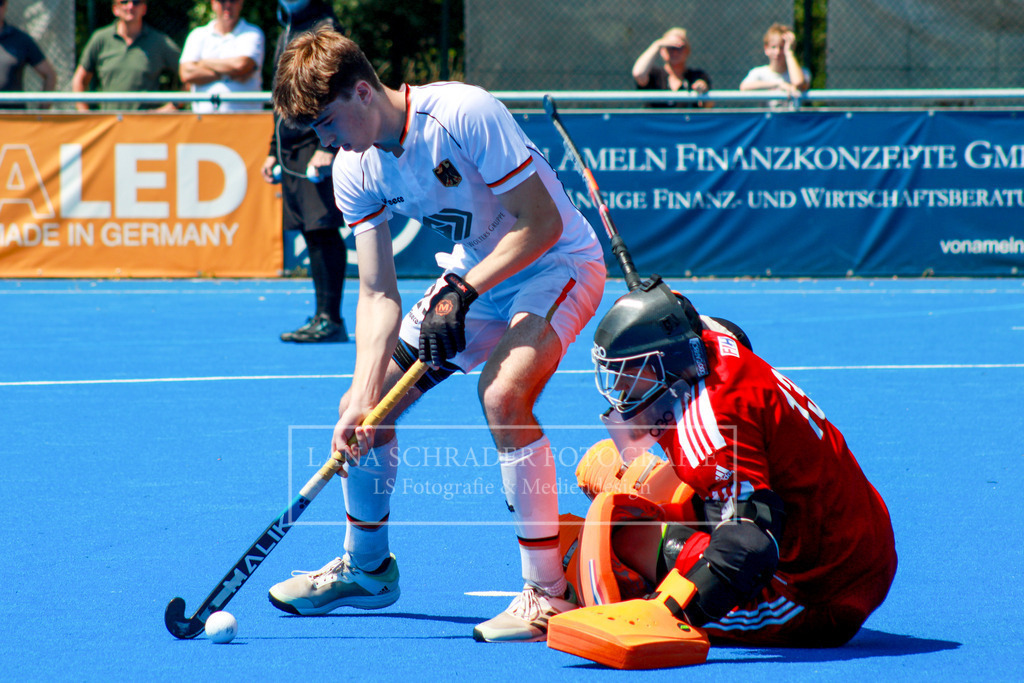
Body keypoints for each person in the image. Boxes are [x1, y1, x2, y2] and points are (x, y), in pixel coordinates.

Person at [266, 25, 607, 642]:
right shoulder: (354, 168)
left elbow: (543, 222)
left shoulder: (463, 112)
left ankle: (546, 595)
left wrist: (465, 289)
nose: (326, 141)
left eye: (327, 123)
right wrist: (364, 397)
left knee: (503, 396)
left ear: (364, 92)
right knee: (365, 406)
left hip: (558, 263)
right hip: (475, 276)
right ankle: (368, 571)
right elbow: (375, 294)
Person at [546, 278, 897, 668]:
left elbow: (750, 545)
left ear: (665, 363)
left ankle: (641, 583)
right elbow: (714, 325)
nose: (622, 384)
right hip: (846, 538)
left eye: (632, 369)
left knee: (611, 540)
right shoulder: (707, 343)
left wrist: (669, 611)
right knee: (613, 471)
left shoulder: (711, 427)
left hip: (817, 594)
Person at [262, 0, 349, 343]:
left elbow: (336, 91)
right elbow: (281, 99)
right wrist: (273, 149)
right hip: (292, 148)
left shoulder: (324, 26)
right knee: (312, 232)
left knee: (323, 228)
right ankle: (321, 315)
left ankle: (331, 318)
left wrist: (327, 147)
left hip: (315, 140)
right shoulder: (288, 27)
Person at [71, 0, 181, 112]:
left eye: (136, 2)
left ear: (144, 8)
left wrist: (168, 109)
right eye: (124, 2)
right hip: (110, 123)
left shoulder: (159, 42)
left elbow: (187, 75)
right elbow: (79, 80)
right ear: (115, 9)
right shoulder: (100, 39)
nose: (130, 6)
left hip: (146, 125)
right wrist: (85, 115)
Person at [179, 0, 264, 113]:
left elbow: (242, 65)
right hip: (203, 122)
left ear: (241, 3)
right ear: (213, 3)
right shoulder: (197, 35)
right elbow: (186, 73)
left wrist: (204, 63)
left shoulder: (253, 33)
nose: (228, 5)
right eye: (222, 1)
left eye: (233, 1)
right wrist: (229, 74)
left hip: (245, 121)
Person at [631, 27, 710, 108]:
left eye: (679, 47)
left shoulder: (697, 76)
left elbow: (708, 106)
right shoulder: (654, 75)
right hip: (656, 120)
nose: (675, 52)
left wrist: (703, 91)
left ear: (687, 51)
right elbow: (638, 74)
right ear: (662, 50)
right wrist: (657, 44)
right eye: (670, 47)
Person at [0, 0, 57, 109]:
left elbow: (50, 74)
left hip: (14, 119)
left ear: (6, 5)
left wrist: (42, 113)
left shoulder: (20, 39)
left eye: (0, 2)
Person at [739, 23, 810, 107]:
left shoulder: (802, 72)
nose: (777, 52)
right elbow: (744, 87)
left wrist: (789, 53)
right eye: (773, 47)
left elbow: (798, 83)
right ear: (766, 48)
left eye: (782, 47)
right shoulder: (758, 72)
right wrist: (778, 84)